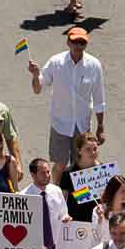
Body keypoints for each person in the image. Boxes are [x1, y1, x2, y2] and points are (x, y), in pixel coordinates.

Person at [28, 26, 105, 173]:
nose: (78, 46)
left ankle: (78, 196)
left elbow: (99, 98)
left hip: (82, 124)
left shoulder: (94, 65)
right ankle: (57, 194)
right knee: (60, 164)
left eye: (82, 43)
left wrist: (100, 126)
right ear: (68, 43)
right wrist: (35, 75)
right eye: (75, 42)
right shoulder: (56, 62)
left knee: (82, 165)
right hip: (60, 123)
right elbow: (38, 88)